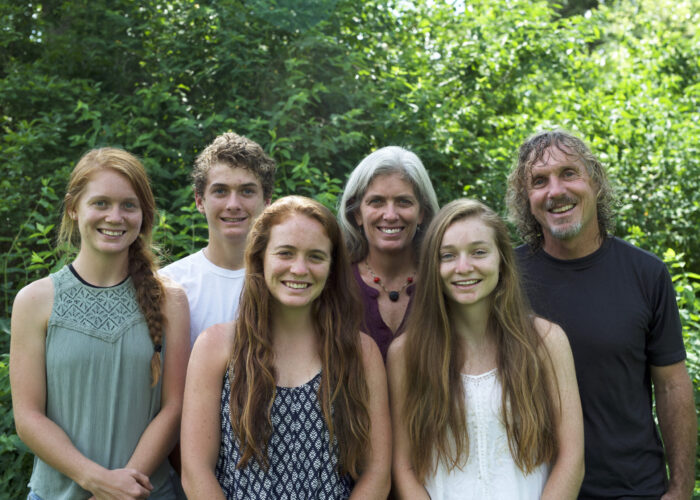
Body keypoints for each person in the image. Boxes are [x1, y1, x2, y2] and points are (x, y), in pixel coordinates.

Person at [507, 129, 696, 499]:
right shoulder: (504, 278)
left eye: (569, 173)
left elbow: (672, 385)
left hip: (631, 488)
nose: (555, 190)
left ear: (595, 183)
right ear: (526, 199)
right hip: (533, 489)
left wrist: (681, 488)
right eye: (539, 181)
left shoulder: (646, 274)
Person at [180, 196, 391, 499]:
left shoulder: (360, 353)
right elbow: (196, 471)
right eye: (285, 253)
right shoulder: (216, 348)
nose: (299, 268)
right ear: (260, 258)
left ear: (332, 267)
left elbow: (377, 473)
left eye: (316, 256)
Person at [10, 148, 189, 499]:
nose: (115, 216)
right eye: (101, 203)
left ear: (143, 214)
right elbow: (28, 418)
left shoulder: (170, 300)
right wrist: (98, 481)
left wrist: (124, 489)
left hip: (147, 493)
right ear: (73, 208)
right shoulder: (34, 302)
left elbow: (174, 408)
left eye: (128, 205)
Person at [388, 198, 584, 499]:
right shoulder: (405, 353)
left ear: (502, 261)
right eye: (448, 255)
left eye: (479, 252)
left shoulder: (546, 341)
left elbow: (571, 459)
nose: (463, 267)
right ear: (433, 267)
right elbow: (404, 467)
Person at [160, 132, 276, 346]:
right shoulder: (170, 284)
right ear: (199, 200)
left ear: (267, 200)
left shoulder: (286, 281)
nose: (233, 205)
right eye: (221, 191)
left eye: (247, 191)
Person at [337, 146, 439, 360]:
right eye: (376, 202)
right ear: (357, 213)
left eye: (404, 202)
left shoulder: (443, 282)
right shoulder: (334, 284)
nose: (390, 215)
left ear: (422, 213)